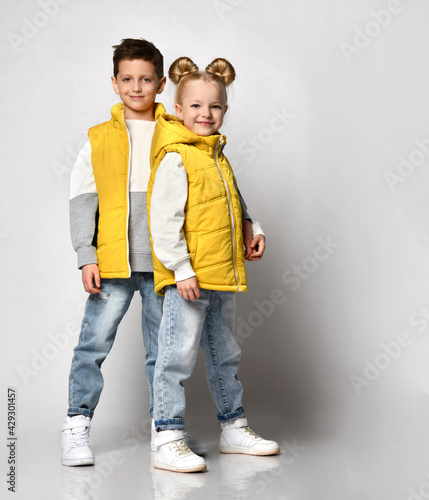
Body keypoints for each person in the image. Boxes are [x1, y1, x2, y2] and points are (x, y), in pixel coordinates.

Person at [61, 38, 198, 467]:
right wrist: (87, 253)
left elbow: (210, 186)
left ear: (160, 84)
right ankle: (76, 425)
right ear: (115, 83)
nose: (136, 87)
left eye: (145, 79)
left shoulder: (180, 132)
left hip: (164, 264)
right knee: (93, 344)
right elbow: (83, 198)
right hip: (114, 263)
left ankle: (165, 431)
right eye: (127, 79)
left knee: (164, 350)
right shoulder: (98, 139)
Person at [147, 56, 280, 473]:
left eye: (215, 107)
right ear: (179, 109)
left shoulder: (217, 157)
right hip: (187, 278)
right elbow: (163, 221)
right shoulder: (176, 157)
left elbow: (232, 205)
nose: (206, 114)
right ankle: (167, 435)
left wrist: (252, 229)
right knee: (176, 355)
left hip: (220, 274)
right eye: (196, 107)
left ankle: (233, 427)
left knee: (224, 354)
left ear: (224, 110)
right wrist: (182, 269)